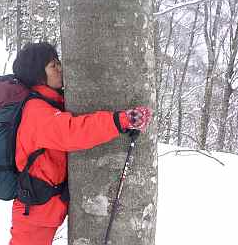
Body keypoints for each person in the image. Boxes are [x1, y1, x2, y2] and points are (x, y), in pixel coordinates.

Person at [9, 42, 152, 245]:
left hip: (43, 207)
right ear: (38, 75)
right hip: (34, 212)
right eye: (53, 66)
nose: (60, 69)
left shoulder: (50, 103)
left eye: (58, 63)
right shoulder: (36, 111)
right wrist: (120, 120)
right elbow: (73, 132)